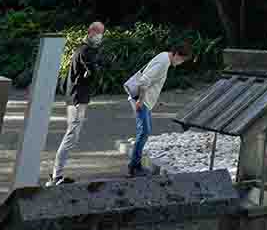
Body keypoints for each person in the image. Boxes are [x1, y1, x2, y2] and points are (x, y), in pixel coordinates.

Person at [49, 21, 106, 185]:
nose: (100, 36)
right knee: (71, 135)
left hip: (77, 98)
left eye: (102, 32)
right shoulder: (85, 51)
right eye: (98, 32)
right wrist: (98, 67)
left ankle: (57, 174)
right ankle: (56, 176)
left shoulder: (85, 50)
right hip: (76, 100)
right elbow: (92, 73)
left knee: (73, 135)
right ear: (90, 32)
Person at [122, 45, 192, 176]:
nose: (181, 63)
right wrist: (141, 100)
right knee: (144, 132)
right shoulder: (164, 62)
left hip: (146, 102)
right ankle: (134, 166)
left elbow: (152, 82)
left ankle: (135, 165)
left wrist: (155, 100)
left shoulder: (163, 57)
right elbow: (144, 81)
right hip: (142, 102)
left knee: (143, 132)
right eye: (182, 60)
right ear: (176, 54)